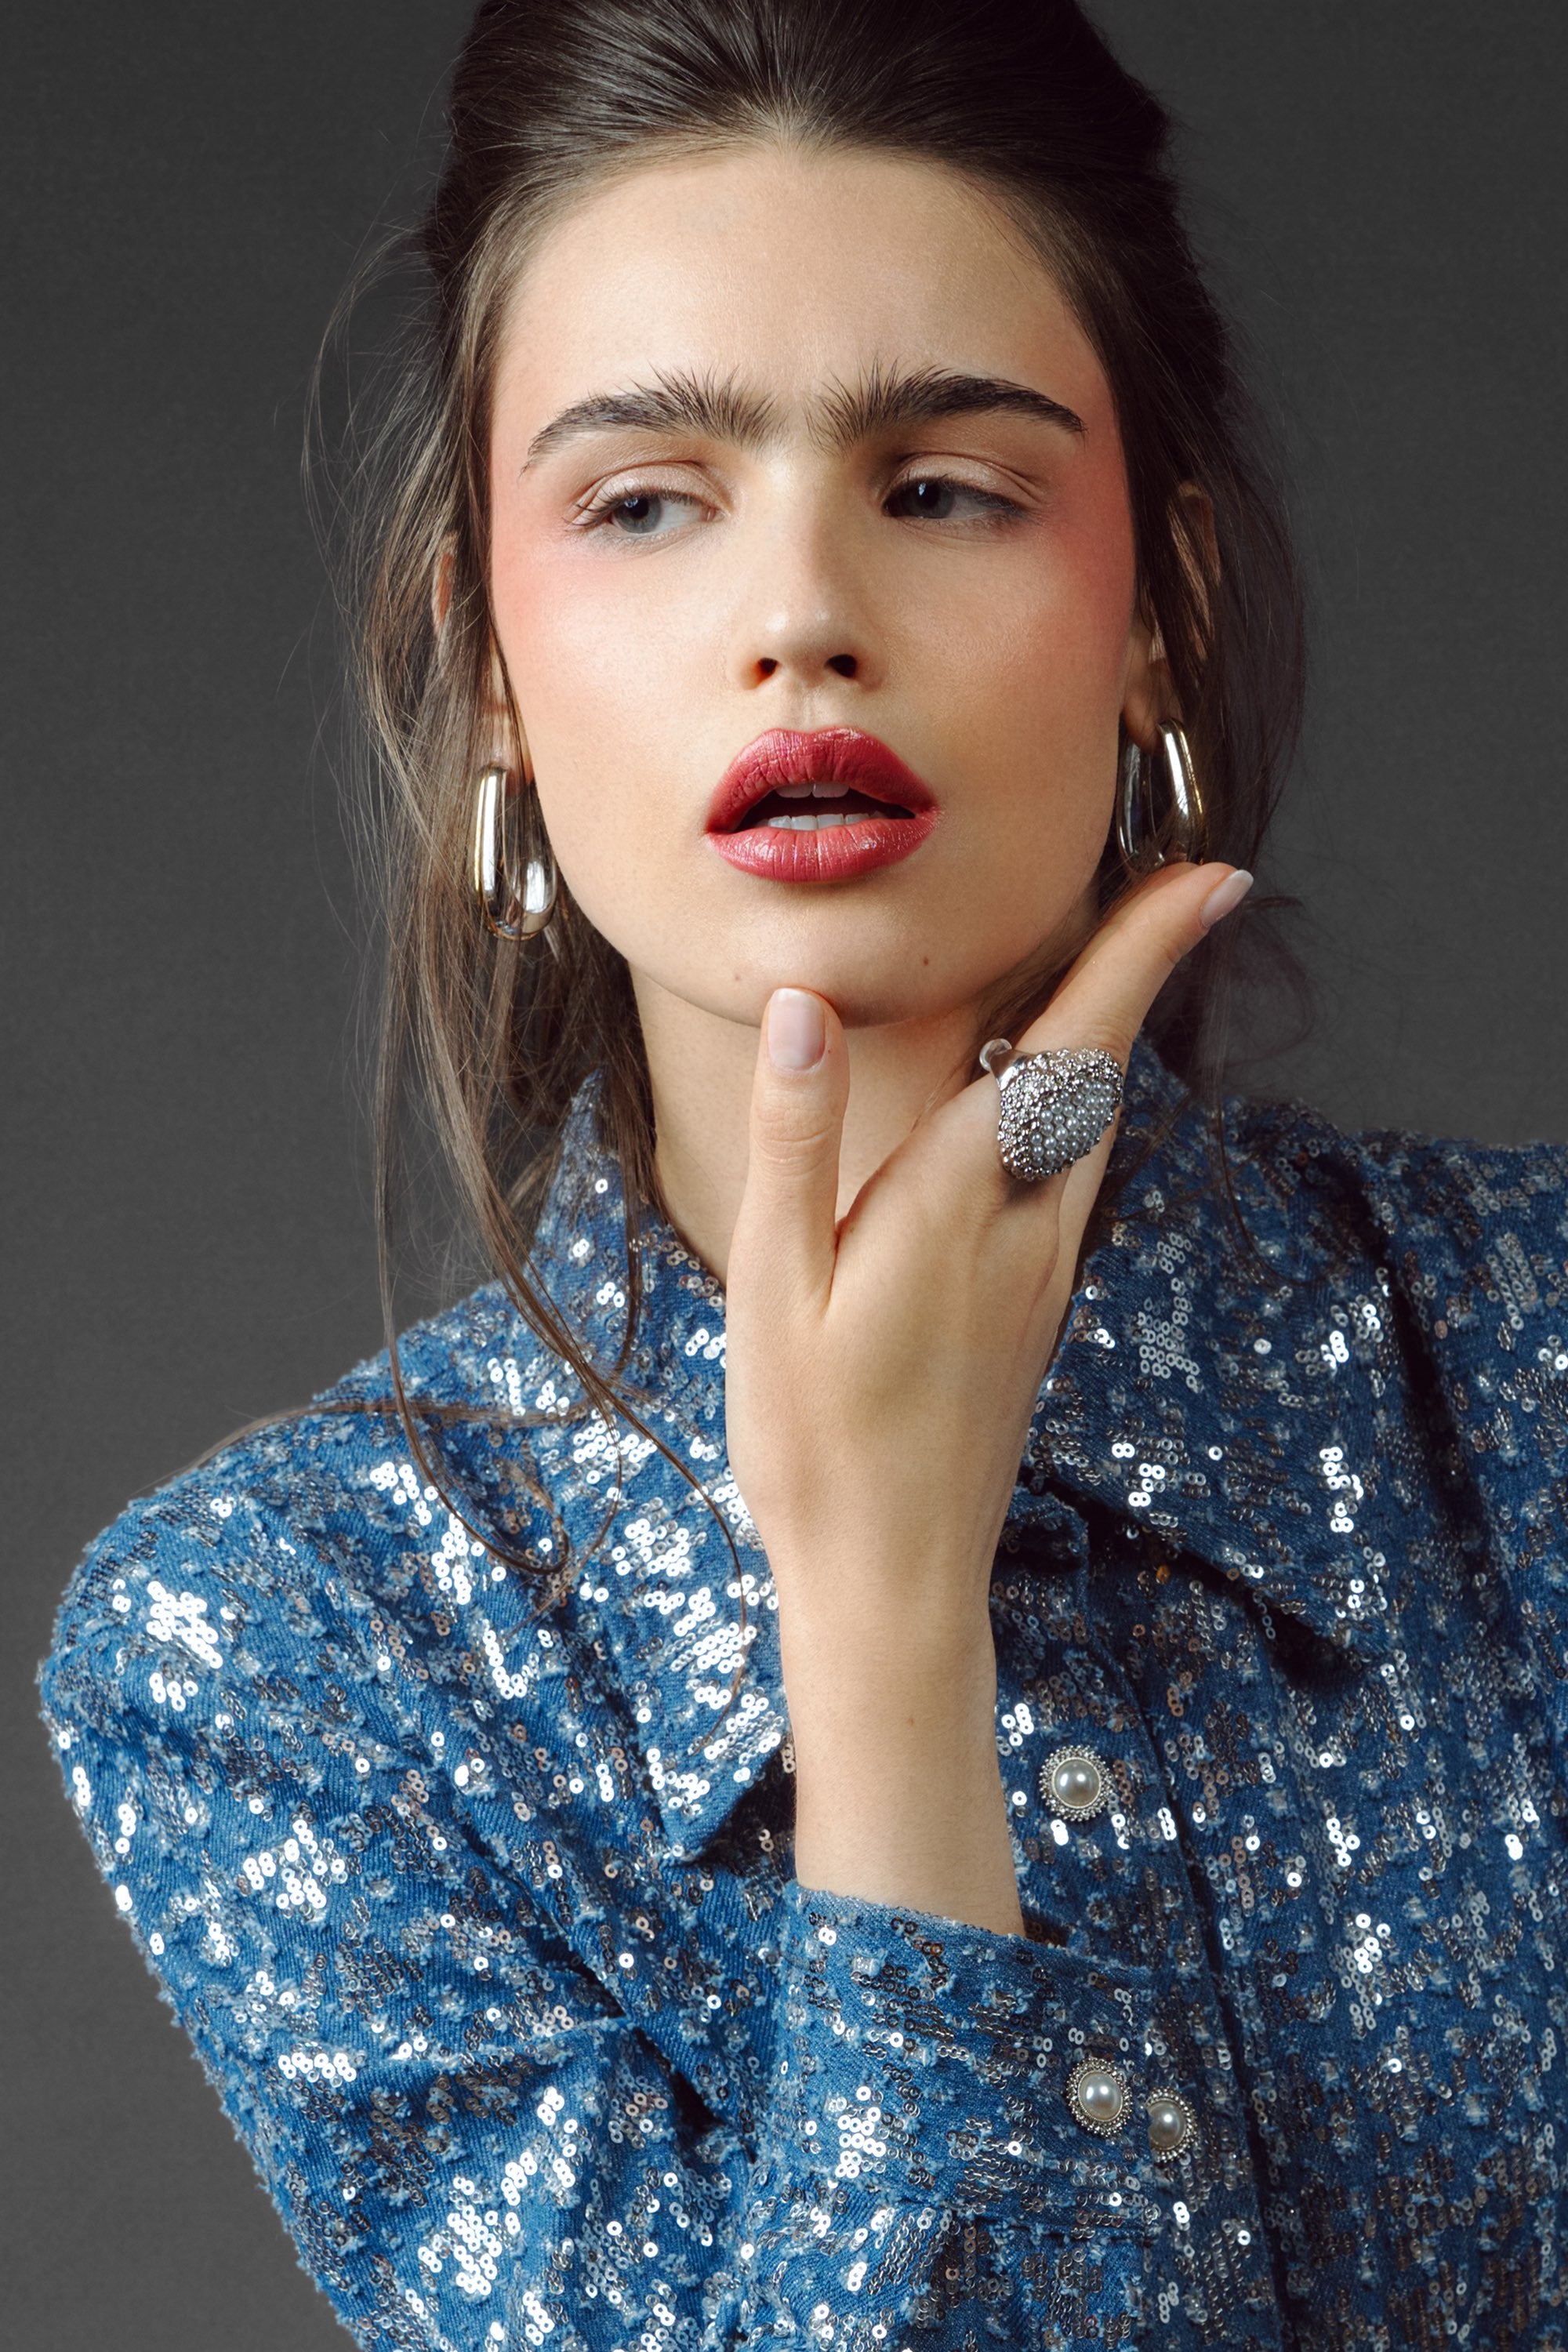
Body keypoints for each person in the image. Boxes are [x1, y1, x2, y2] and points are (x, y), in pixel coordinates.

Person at [39, 0, 1568, 2345]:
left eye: (946, 484)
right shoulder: (280, 1655)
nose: (801, 621)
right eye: (645, 502)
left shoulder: (1528, 1353)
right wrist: (879, 1629)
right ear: (490, 658)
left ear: (1153, 607)